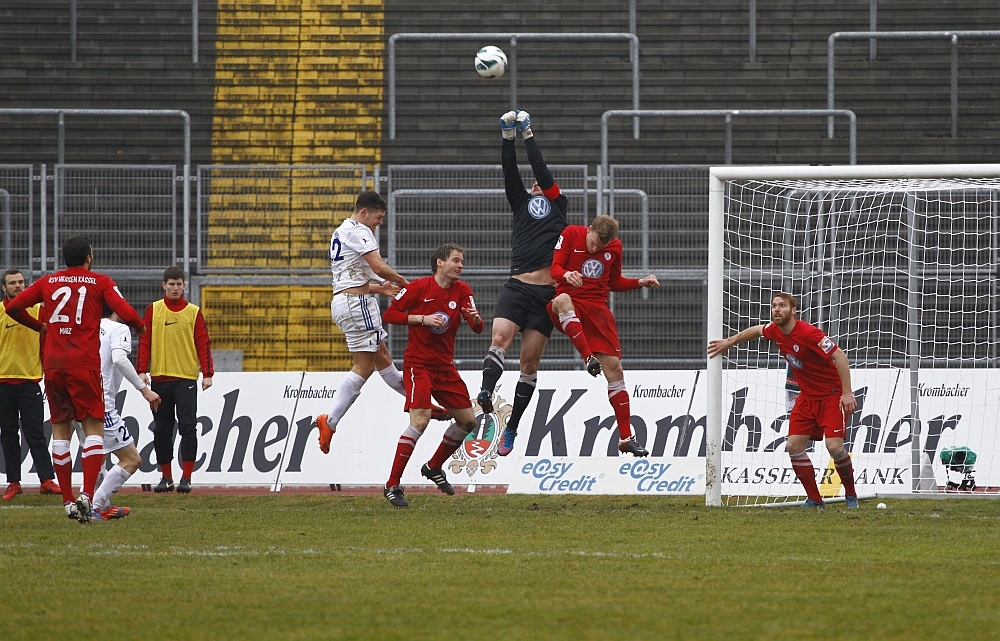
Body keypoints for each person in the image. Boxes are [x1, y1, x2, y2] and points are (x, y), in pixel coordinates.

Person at [4, 235, 146, 522]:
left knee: (60, 431)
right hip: (84, 364)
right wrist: (139, 326)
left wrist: (40, 326)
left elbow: (12, 307)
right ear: (89, 258)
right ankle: (88, 497)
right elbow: (127, 312)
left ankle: (68, 501)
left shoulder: (48, 282)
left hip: (54, 364)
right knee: (93, 429)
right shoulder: (100, 282)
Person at [312, 190, 445, 454]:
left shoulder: (340, 231)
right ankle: (331, 421)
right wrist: (405, 282)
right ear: (364, 212)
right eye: (378, 217)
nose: (379, 222)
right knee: (364, 366)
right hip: (356, 305)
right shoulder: (359, 231)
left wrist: (379, 289)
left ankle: (420, 402)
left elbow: (349, 279)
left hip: (345, 300)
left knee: (383, 359)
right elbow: (379, 266)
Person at [707, 292, 859, 509]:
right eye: (774, 306)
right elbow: (757, 330)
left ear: (793, 310)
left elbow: (840, 356)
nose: (777, 309)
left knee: (834, 448)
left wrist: (847, 393)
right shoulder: (775, 331)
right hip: (807, 398)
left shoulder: (809, 333)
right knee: (793, 446)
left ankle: (851, 496)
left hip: (831, 396)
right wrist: (728, 342)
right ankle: (815, 500)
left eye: (782, 306)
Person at [477, 110, 567, 452]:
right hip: (516, 288)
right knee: (499, 339)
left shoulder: (559, 205)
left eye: (543, 184)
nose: (537, 184)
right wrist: (507, 138)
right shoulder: (521, 203)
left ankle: (511, 426)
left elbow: (541, 170)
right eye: (534, 185)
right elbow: (510, 172)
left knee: (529, 363)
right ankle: (485, 391)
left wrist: (529, 135)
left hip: (544, 296)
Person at [535, 216, 660, 458]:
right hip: (569, 305)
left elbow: (614, 282)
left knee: (615, 371)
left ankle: (626, 438)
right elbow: (555, 269)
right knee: (561, 299)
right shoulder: (571, 233)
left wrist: (640, 282)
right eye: (592, 244)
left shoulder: (615, 247)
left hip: (597, 310)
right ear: (589, 229)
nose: (594, 250)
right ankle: (587, 357)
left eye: (599, 247)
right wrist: (566, 275)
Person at [380, 244, 484, 508]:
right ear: (440, 262)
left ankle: (434, 466)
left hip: (445, 367)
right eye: (456, 260)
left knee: (468, 422)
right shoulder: (419, 287)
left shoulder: (462, 290)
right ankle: (392, 484)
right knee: (420, 421)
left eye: (462, 261)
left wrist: (474, 319)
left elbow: (478, 328)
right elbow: (390, 314)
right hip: (419, 365)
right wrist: (421, 319)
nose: (461, 266)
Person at [138, 266, 214, 494]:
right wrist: (141, 370)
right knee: (162, 430)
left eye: (179, 284)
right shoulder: (154, 310)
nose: (175, 288)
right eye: (171, 284)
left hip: (185, 378)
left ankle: (186, 477)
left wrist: (207, 374)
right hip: (160, 378)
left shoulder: (193, 312)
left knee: (188, 427)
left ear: (184, 285)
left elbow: (203, 342)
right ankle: (167, 477)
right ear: (164, 285)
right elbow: (145, 341)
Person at [91, 304, 162, 519]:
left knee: (97, 457)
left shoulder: (88, 326)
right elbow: (120, 359)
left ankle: (101, 506)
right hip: (103, 405)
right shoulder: (118, 328)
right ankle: (94, 506)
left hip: (82, 402)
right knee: (132, 459)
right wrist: (144, 390)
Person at [0, 269, 60, 501]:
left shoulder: (37, 310)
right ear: (4, 287)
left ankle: (46, 480)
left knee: (35, 433)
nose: (18, 286)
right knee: (8, 434)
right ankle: (14, 482)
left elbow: (47, 342)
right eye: (12, 283)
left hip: (30, 382)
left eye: (21, 282)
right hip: (3, 382)